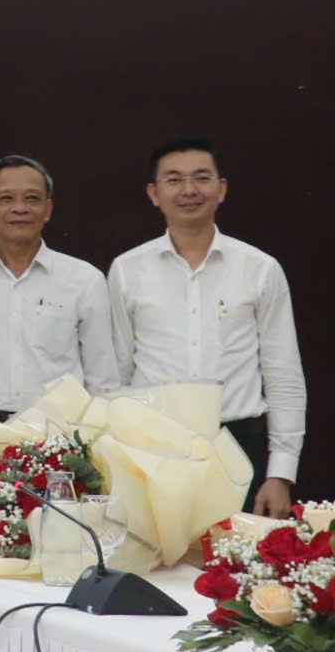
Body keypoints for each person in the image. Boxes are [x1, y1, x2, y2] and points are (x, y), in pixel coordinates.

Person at [109, 137, 306, 516]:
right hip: (152, 446)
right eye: (174, 180)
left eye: (201, 177)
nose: (189, 190)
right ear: (154, 193)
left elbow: (283, 376)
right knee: (157, 570)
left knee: (231, 567)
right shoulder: (127, 270)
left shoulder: (260, 269)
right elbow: (115, 374)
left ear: (221, 188)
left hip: (237, 444)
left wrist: (280, 474)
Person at [0, 155, 120, 463]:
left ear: (48, 210)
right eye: (6, 199)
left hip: (60, 431)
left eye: (32, 199)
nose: (20, 208)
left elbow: (102, 380)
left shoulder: (83, 280)